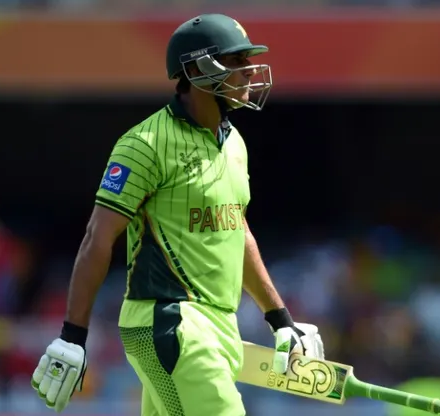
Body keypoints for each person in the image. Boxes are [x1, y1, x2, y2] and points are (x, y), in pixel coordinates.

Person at [31, 13, 325, 415]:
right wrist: (72, 335)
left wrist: (280, 319)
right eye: (235, 61)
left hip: (221, 325)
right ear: (196, 70)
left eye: (247, 61)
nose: (247, 71)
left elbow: (236, 230)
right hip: (169, 320)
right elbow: (98, 237)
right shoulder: (145, 144)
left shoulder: (234, 143)